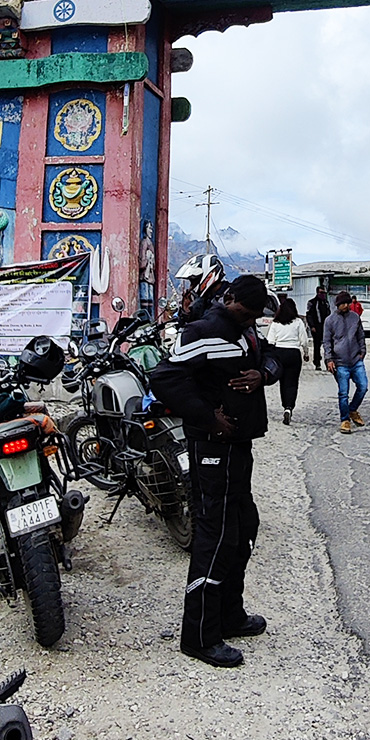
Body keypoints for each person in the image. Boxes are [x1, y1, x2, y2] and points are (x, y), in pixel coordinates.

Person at [148, 273, 278, 668]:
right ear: (231, 298)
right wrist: (208, 418)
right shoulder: (202, 331)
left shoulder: (246, 329)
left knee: (242, 530)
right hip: (212, 449)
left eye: (256, 316)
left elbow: (275, 357)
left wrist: (263, 374)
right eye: (248, 312)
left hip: (240, 447)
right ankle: (200, 635)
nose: (251, 319)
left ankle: (230, 614)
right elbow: (163, 379)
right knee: (215, 534)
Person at [322, 290, 368, 433]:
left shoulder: (355, 317)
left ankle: (352, 409)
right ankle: (345, 420)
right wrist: (329, 359)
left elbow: (361, 336)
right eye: (343, 304)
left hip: (356, 359)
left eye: (348, 303)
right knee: (343, 393)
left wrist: (362, 351)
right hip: (339, 362)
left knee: (363, 386)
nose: (346, 306)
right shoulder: (330, 320)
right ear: (338, 305)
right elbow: (327, 342)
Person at [266, 296, 310, 425]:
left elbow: (270, 341)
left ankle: (284, 404)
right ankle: (289, 407)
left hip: (279, 353)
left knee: (282, 381)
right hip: (293, 353)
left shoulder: (275, 323)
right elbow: (304, 340)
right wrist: (306, 353)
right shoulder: (298, 322)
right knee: (292, 382)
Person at [305, 287, 330, 370]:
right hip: (316, 327)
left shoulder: (326, 303)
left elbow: (329, 314)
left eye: (324, 293)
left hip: (326, 327)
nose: (323, 295)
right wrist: (312, 326)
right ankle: (317, 363)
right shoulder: (312, 303)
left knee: (328, 345)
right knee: (317, 345)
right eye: (321, 293)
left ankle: (328, 362)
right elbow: (309, 315)